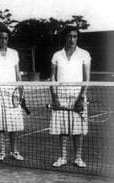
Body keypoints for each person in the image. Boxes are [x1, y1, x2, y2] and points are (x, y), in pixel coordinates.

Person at [49, 26, 91, 168]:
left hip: (77, 97)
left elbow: (87, 78)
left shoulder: (84, 54)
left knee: (78, 130)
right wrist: (54, 96)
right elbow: (52, 77)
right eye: (69, 36)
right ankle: (63, 157)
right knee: (63, 129)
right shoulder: (56, 55)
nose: (72, 39)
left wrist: (81, 97)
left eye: (75, 36)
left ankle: (78, 158)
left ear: (77, 38)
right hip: (60, 96)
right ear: (65, 37)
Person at [0, 26, 24, 161]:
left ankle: (14, 151)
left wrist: (21, 90)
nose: (3, 41)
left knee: (14, 125)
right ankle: (1, 152)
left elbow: (17, 73)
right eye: (1, 38)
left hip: (13, 93)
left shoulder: (14, 53)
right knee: (0, 125)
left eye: (6, 38)